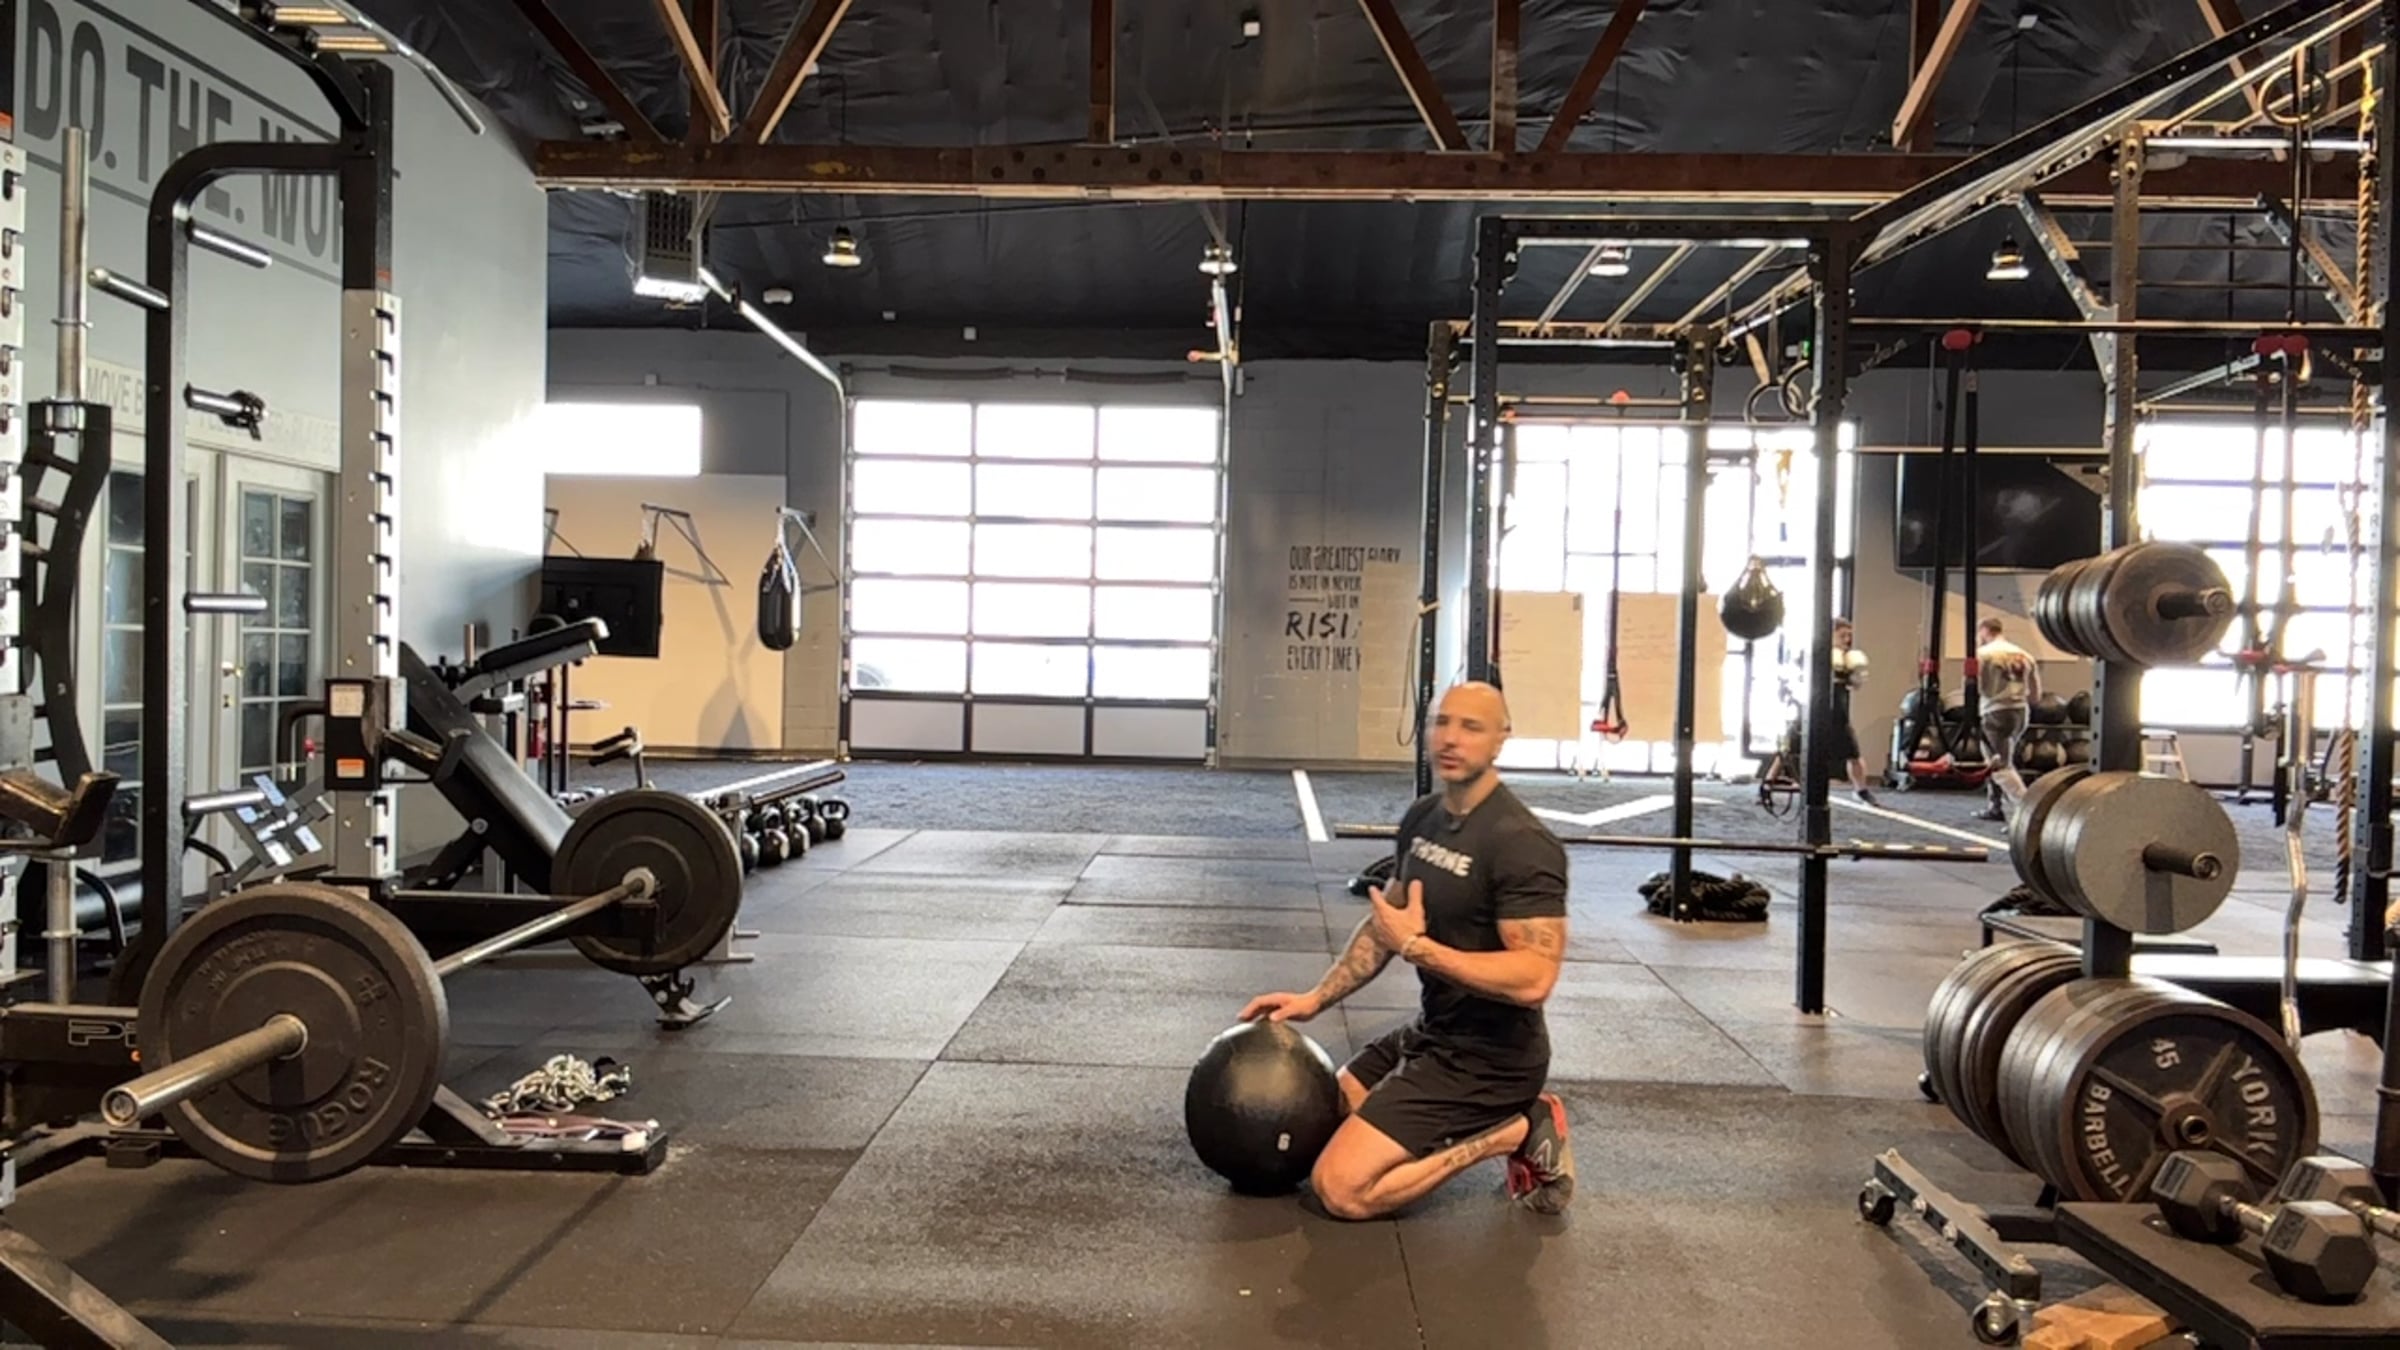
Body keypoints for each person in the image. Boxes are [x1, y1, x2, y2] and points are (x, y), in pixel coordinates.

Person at [1238, 681, 1574, 1220]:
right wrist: (1314, 1000)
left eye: (1471, 727)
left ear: (1500, 740)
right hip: (1433, 1033)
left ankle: (1513, 1130)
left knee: (1340, 1188)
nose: (1451, 738)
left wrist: (1419, 949)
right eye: (1442, 722)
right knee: (1317, 1115)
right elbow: (1383, 928)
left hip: (1492, 1060)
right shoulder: (1424, 818)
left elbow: (1535, 978)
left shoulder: (1522, 844)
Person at [1974, 617, 2040, 821]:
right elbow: (2035, 695)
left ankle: (2026, 813)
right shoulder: (2025, 655)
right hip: (2020, 712)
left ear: (1984, 631)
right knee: (1997, 761)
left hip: (1995, 711)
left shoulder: (1983, 654)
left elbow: (1973, 686)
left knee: (2000, 765)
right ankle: (1995, 807)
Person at [1829, 617, 1878, 804]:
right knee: (1792, 746)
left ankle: (1861, 790)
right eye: (1842, 635)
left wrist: (1853, 674)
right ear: (1831, 635)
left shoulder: (1847, 659)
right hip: (1813, 710)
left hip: (1838, 713)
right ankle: (1768, 783)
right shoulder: (1818, 655)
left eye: (1849, 636)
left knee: (1853, 753)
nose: (1847, 640)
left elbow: (1855, 685)